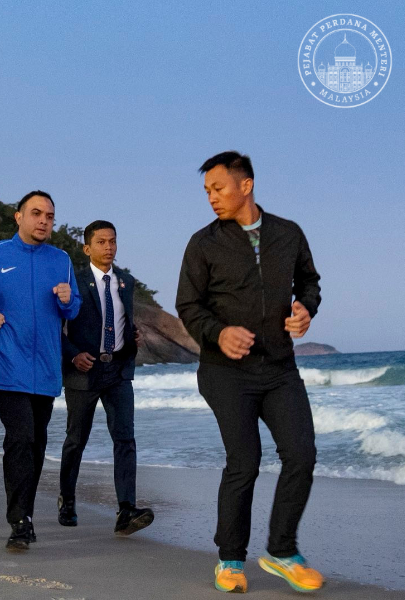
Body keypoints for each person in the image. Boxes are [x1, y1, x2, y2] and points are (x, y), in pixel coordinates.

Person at [177, 151, 323, 593]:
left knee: (301, 454)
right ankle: (230, 560)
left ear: (246, 185)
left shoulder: (288, 233)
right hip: (225, 372)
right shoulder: (203, 243)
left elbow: (309, 282)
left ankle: (282, 551)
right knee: (245, 461)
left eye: (218, 188)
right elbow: (188, 305)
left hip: (279, 367)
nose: (211, 197)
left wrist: (305, 309)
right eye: (207, 191)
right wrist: (218, 333)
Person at [0, 191, 81, 551]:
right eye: (36, 213)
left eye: (49, 216)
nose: (44, 220)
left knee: (37, 442)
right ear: (18, 217)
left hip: (46, 368)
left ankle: (24, 515)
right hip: (6, 363)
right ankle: (19, 521)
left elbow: (73, 309)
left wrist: (67, 300)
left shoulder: (61, 260)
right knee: (21, 436)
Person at [58, 220, 154, 536]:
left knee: (125, 439)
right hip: (83, 371)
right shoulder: (73, 281)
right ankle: (67, 499)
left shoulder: (126, 281)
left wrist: (133, 338)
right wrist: (73, 355)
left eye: (112, 241)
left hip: (118, 371)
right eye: (101, 242)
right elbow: (56, 326)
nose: (109, 247)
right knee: (76, 439)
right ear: (87, 248)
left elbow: (123, 319)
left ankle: (126, 510)